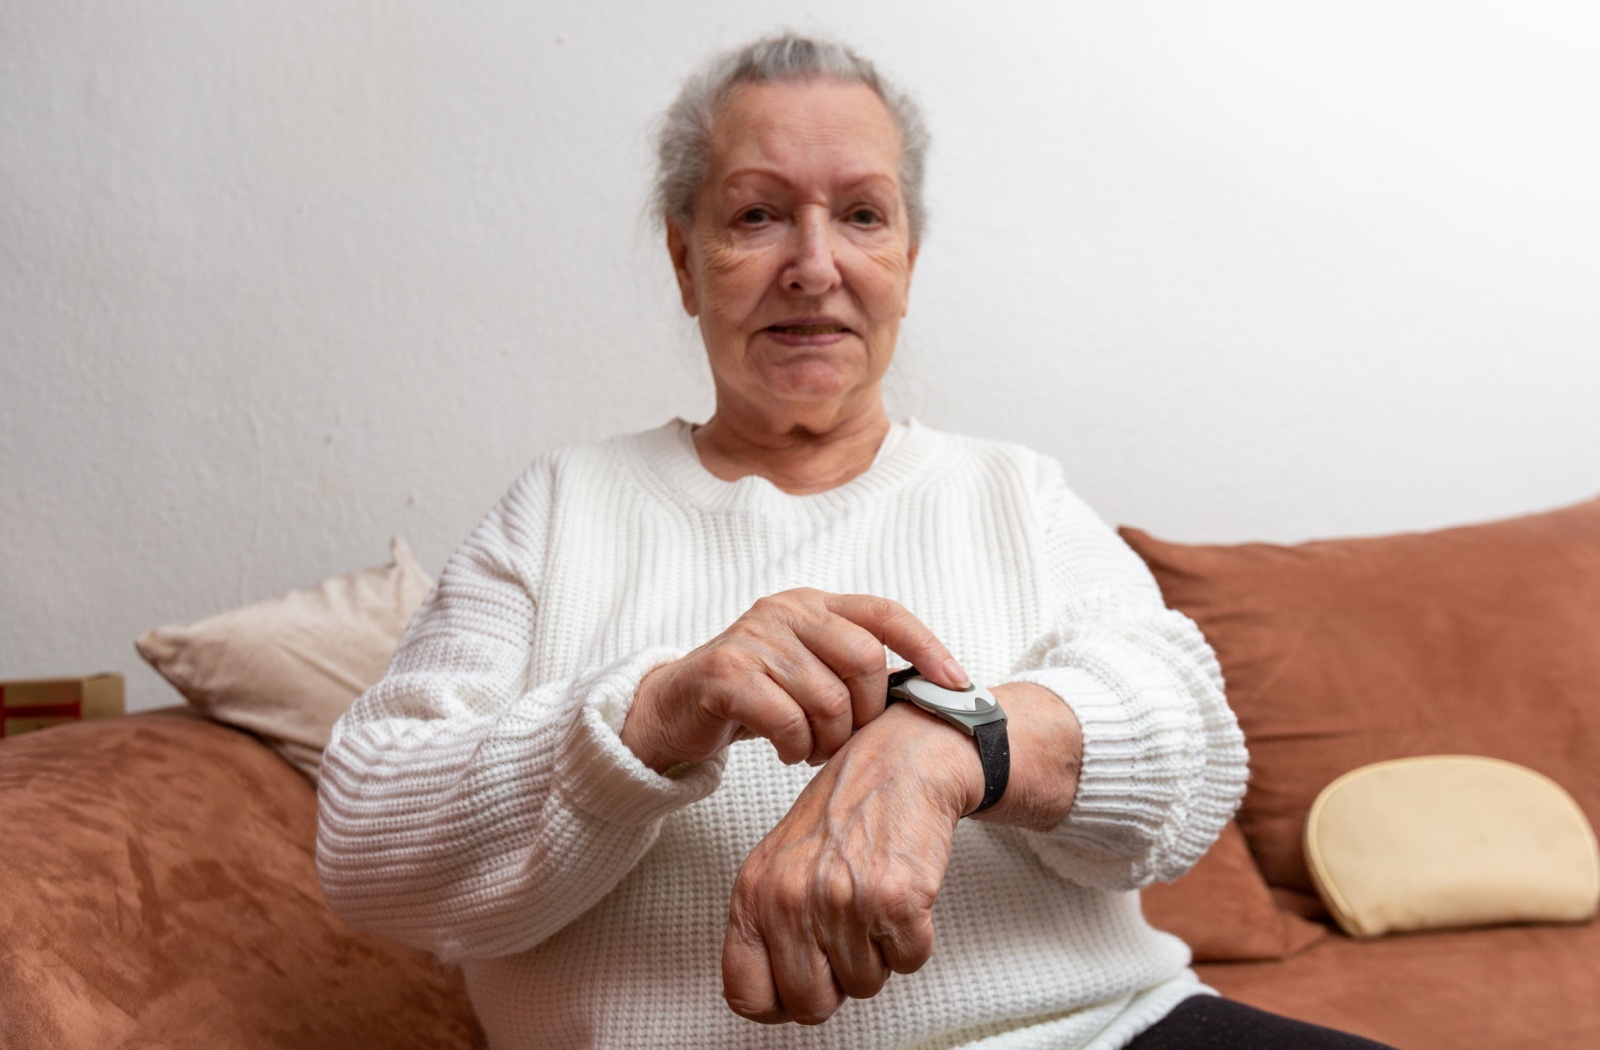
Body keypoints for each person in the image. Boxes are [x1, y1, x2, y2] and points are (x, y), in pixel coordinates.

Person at [317, 33, 1393, 1050]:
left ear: (908, 263)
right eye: (756, 216)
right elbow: (366, 846)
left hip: (1099, 1033)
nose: (814, 263)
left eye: (863, 216)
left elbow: (1191, 744)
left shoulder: (1010, 490)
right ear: (685, 262)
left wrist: (945, 746)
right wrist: (651, 713)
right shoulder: (562, 506)